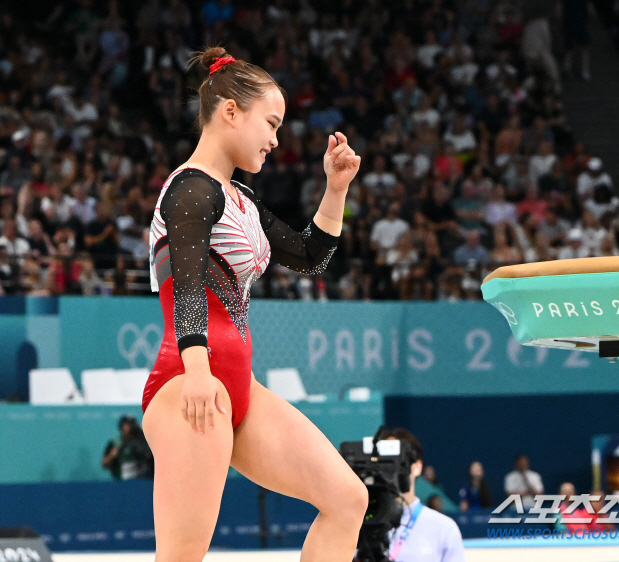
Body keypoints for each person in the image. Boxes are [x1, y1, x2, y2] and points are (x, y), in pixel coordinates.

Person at [141, 48, 367, 562]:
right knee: (182, 555)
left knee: (349, 500)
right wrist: (198, 374)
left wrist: (336, 190)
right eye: (270, 123)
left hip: (238, 386)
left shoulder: (238, 197)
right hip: (191, 382)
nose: (275, 139)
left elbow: (310, 257)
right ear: (229, 113)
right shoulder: (191, 189)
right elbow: (189, 286)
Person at [379, 427, 464, 562]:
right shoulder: (361, 525)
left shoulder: (443, 528)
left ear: (417, 466)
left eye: (397, 460)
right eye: (384, 461)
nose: (391, 469)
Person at [101, 415, 154, 480]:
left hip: (141, 481)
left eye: (132, 424)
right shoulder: (115, 443)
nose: (131, 427)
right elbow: (104, 464)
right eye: (128, 424)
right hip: (121, 482)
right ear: (122, 426)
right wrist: (112, 455)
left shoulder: (142, 442)